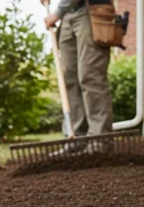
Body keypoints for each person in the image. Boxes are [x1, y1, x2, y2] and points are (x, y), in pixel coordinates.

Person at [43, 0, 114, 154]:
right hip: (68, 16)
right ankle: (76, 138)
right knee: (69, 79)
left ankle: (100, 140)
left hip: (91, 10)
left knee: (90, 76)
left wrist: (56, 13)